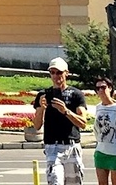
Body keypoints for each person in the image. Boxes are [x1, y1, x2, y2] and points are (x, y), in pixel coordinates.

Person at [33, 57, 88, 185]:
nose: (55, 76)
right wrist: (41, 108)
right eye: (52, 72)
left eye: (59, 72)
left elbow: (83, 123)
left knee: (74, 182)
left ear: (66, 73)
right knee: (55, 181)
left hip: (72, 145)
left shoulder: (76, 94)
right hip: (53, 146)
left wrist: (65, 111)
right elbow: (36, 125)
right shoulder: (43, 94)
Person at [92, 77, 116, 185]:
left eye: (103, 87)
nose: (100, 90)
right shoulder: (98, 107)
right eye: (98, 88)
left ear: (110, 88)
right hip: (101, 151)